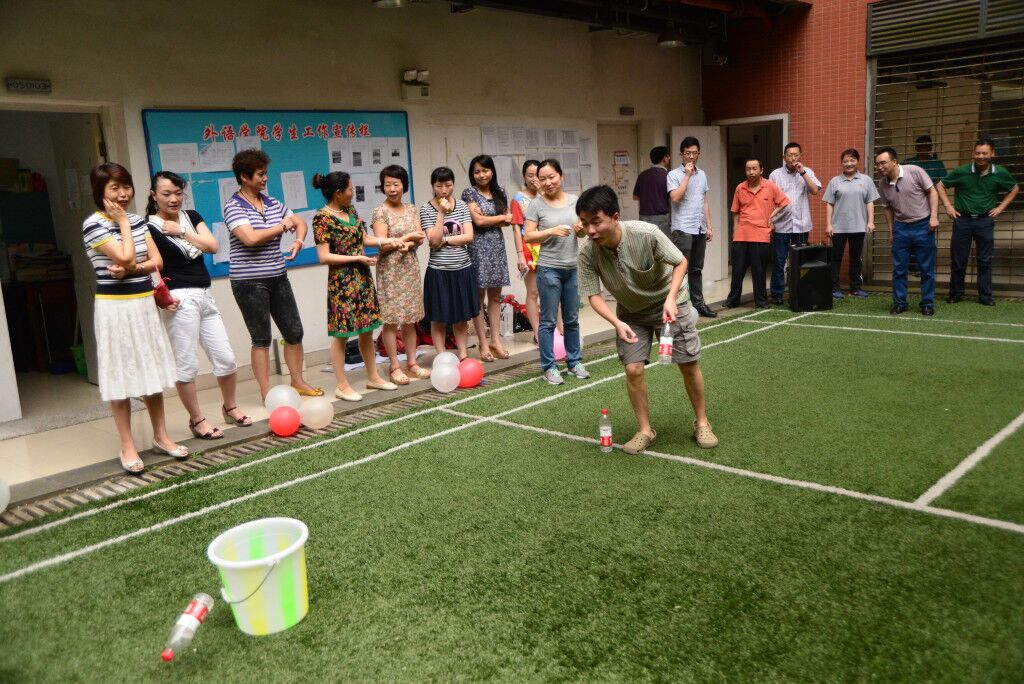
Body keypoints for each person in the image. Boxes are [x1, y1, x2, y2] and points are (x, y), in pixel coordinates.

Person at [576, 185, 718, 454]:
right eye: (584, 223)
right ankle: (645, 430)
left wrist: (671, 298)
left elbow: (680, 262)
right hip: (630, 313)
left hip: (669, 303)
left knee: (688, 364)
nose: (590, 230)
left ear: (615, 217)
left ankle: (702, 422)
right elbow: (593, 295)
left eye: (596, 222)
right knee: (633, 369)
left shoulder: (647, 233)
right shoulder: (587, 253)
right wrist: (616, 323)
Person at [82, 163, 188, 475]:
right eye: (114, 188)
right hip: (114, 308)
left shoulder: (139, 221)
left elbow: (157, 261)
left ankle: (161, 436)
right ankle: (127, 445)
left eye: (126, 186)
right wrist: (123, 226)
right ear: (100, 192)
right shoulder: (93, 224)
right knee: (119, 376)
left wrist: (132, 268)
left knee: (150, 372)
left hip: (143, 303)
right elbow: (126, 255)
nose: (123, 194)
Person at [146, 171, 250, 440]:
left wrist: (181, 231)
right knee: (187, 366)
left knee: (226, 359)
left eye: (178, 193)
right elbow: (150, 266)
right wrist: (158, 297)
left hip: (205, 295)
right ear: (154, 195)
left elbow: (213, 245)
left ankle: (230, 407)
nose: (173, 199)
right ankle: (197, 420)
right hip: (179, 300)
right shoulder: (149, 227)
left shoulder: (190, 217)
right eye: (166, 194)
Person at [223, 149, 321, 399]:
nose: (265, 178)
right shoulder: (233, 206)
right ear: (244, 177)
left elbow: (299, 222)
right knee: (261, 338)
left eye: (265, 173)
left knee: (294, 332)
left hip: (278, 276)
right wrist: (281, 226)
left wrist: (298, 241)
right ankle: (266, 391)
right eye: (260, 174)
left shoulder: (272, 202)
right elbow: (250, 238)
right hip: (248, 282)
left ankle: (298, 381)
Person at [312, 172, 399, 401]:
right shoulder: (322, 218)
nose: (353, 193)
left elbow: (363, 239)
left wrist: (386, 240)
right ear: (338, 193)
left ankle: (374, 376)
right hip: (341, 283)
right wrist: (356, 258)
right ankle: (342, 385)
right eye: (350, 189)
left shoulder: (350, 211)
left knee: (367, 329)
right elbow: (324, 256)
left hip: (362, 278)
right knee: (341, 334)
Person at [524, 159, 589, 385]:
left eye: (551, 177)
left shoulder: (575, 201)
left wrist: (580, 229)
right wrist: (550, 231)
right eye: (542, 179)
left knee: (572, 319)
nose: (548, 182)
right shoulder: (536, 204)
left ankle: (574, 362)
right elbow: (528, 236)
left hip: (572, 267)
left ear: (561, 177)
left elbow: (582, 232)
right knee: (548, 321)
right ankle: (549, 367)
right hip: (548, 268)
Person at [938, 138, 1019, 306]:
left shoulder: (1000, 172)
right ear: (973, 154)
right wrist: (948, 206)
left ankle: (985, 296)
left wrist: (1001, 207)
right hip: (962, 221)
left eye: (984, 153)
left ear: (992, 154)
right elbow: (940, 185)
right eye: (977, 153)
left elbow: (1014, 188)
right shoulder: (962, 171)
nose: (981, 156)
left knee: (985, 260)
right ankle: (956, 294)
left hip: (985, 221)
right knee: (958, 260)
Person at [371, 165, 429, 384]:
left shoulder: (411, 209)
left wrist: (409, 244)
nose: (392, 189)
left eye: (396, 184)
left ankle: (412, 363)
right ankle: (394, 366)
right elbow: (383, 245)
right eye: (387, 184)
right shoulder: (380, 212)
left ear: (404, 185)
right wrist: (407, 239)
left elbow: (420, 237)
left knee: (410, 319)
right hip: (390, 270)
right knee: (391, 320)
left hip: (409, 267)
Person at [420, 167, 479, 360]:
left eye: (448, 185)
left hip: (463, 269)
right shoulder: (426, 209)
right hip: (438, 271)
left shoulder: (462, 206)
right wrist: (441, 213)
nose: (444, 190)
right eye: (439, 186)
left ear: (453, 184)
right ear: (433, 186)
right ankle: (441, 356)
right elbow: (433, 241)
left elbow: (469, 236)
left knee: (461, 317)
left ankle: (463, 354)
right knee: (438, 318)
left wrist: (445, 240)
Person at [874, 146, 940, 315]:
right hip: (901, 228)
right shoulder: (882, 184)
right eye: (877, 164)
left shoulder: (914, 171)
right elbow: (887, 208)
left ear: (894, 162)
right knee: (899, 269)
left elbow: (932, 192)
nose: (880, 167)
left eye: (883, 163)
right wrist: (891, 231)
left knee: (926, 268)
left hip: (923, 225)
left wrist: (933, 217)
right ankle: (900, 303)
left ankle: (927, 303)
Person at [462, 155, 513, 361]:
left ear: (492, 171)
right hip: (477, 248)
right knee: (479, 297)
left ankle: (496, 341)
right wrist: (500, 218)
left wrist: (492, 219)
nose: (481, 175)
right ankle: (483, 343)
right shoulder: (469, 193)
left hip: (497, 247)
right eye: (477, 172)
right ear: (472, 174)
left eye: (485, 170)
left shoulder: (500, 192)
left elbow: (508, 222)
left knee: (495, 296)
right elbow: (479, 222)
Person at [724, 159, 790, 309]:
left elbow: (784, 202)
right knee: (737, 271)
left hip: (761, 234)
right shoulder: (740, 187)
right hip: (741, 235)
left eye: (754, 169)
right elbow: (735, 212)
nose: (751, 172)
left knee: (759, 271)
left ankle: (761, 301)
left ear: (761, 170)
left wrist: (771, 216)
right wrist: (735, 232)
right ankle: (732, 300)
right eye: (748, 169)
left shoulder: (770, 186)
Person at [667, 137, 717, 318]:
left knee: (696, 269)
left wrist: (709, 225)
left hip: (699, 228)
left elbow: (704, 201)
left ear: (698, 154)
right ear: (681, 154)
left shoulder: (702, 174)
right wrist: (687, 176)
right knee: (680, 270)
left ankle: (699, 304)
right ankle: (676, 306)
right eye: (688, 153)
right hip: (682, 229)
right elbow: (675, 198)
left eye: (695, 153)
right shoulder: (673, 175)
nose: (691, 157)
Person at [768, 142, 821, 304]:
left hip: (801, 225)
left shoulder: (807, 171)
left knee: (800, 261)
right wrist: (770, 221)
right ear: (784, 157)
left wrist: (802, 172)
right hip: (781, 225)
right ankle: (777, 293)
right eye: (790, 155)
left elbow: (815, 190)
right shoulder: (775, 175)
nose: (793, 158)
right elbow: (769, 200)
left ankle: (799, 291)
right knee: (779, 261)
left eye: (796, 155)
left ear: (800, 156)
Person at [822, 149, 879, 299]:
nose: (849, 163)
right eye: (846, 161)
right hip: (838, 227)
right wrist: (829, 224)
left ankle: (855, 288)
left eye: (852, 160)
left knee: (856, 259)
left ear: (857, 161)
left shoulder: (866, 180)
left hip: (859, 226)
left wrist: (871, 222)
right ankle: (834, 289)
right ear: (842, 163)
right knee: (835, 258)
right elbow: (829, 204)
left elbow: (870, 202)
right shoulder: (835, 181)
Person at [510, 159, 542, 342]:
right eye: (530, 175)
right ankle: (537, 332)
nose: (534, 179)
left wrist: (542, 192)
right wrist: (520, 255)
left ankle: (558, 330)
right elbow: (516, 228)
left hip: (548, 247)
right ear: (524, 176)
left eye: (537, 175)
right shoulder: (518, 199)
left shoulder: (547, 195)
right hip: (529, 248)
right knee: (533, 292)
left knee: (552, 291)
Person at [633, 145, 671, 235]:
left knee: (646, 243)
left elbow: (635, 196)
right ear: (664, 158)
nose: (669, 158)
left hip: (643, 218)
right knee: (662, 243)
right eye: (668, 156)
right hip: (661, 218)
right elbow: (673, 197)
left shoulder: (642, 175)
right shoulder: (668, 175)